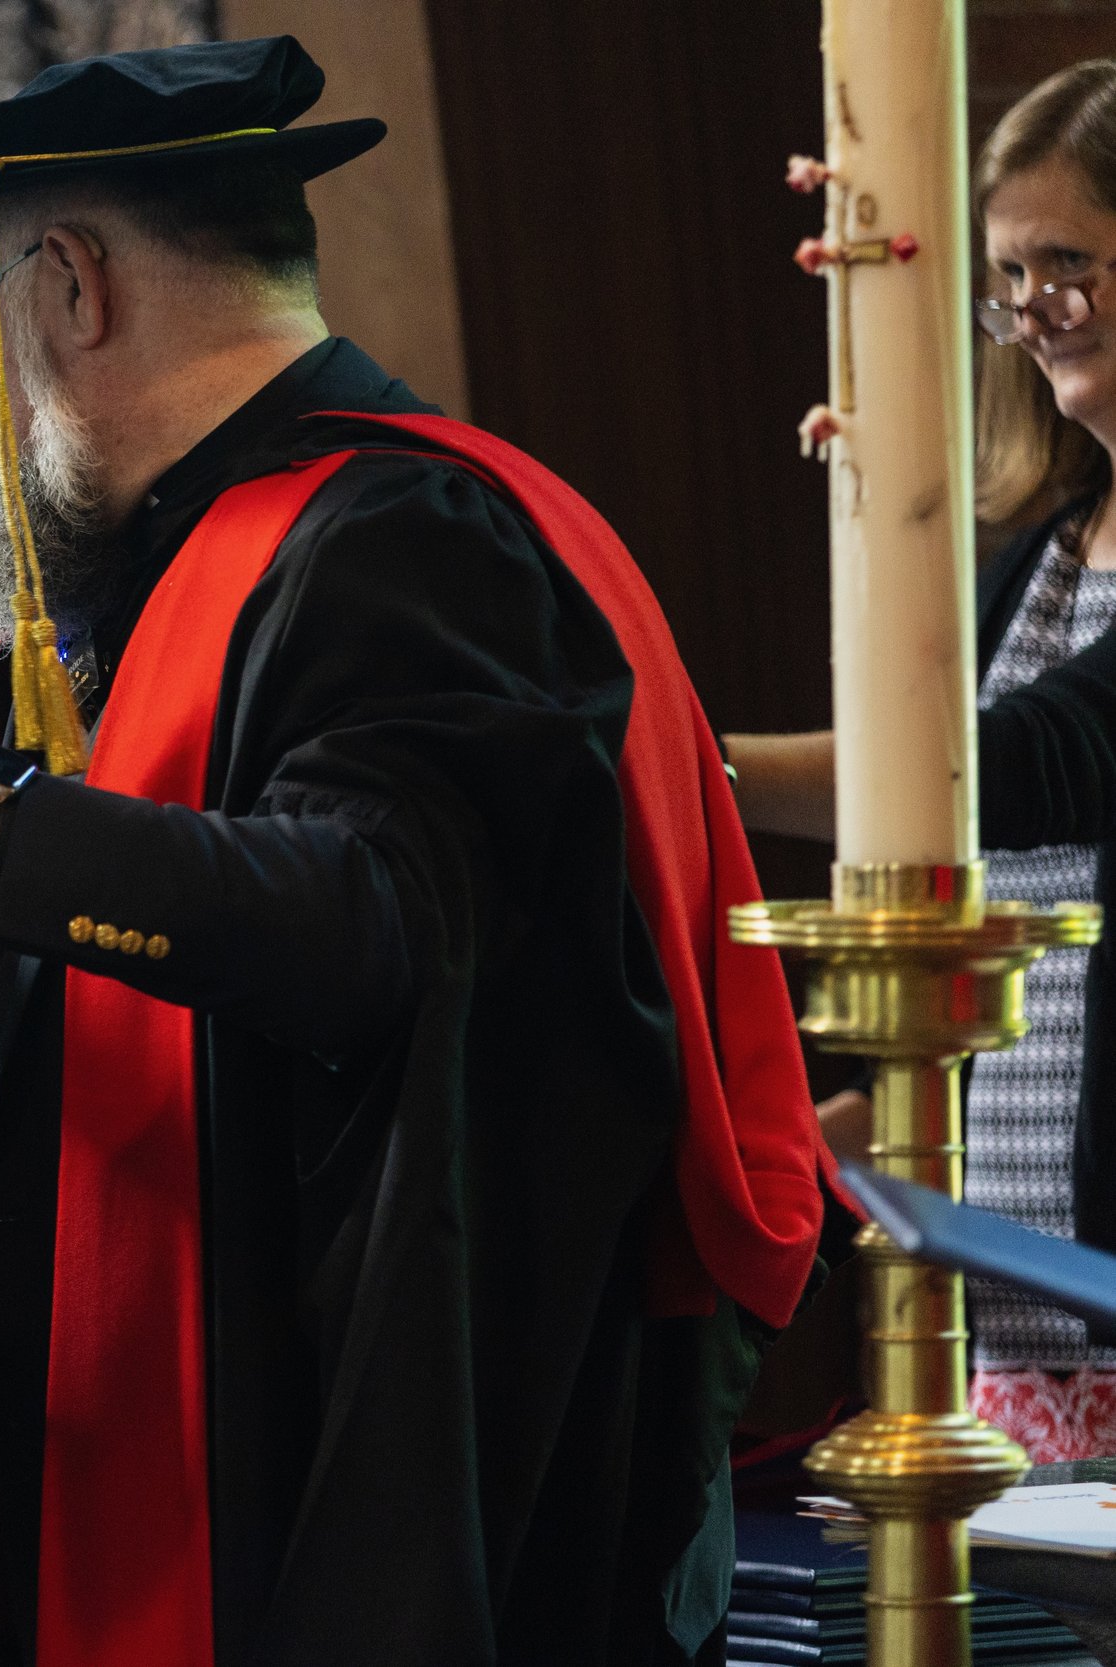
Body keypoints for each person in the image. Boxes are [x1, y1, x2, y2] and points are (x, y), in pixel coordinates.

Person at [0, 34, 824, 1667]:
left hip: (354, 1458)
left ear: (73, 286)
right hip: (201, 1427)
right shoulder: (168, 564)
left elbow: (366, 923)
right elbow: (34, 935)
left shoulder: (410, 539)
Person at [725, 59, 1116, 1465]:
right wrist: (856, 1127)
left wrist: (689, 770)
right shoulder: (1044, 555)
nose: (1033, 315)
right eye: (1008, 280)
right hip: (1019, 1310)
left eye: (1067, 268)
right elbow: (988, 907)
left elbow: (1020, 767)